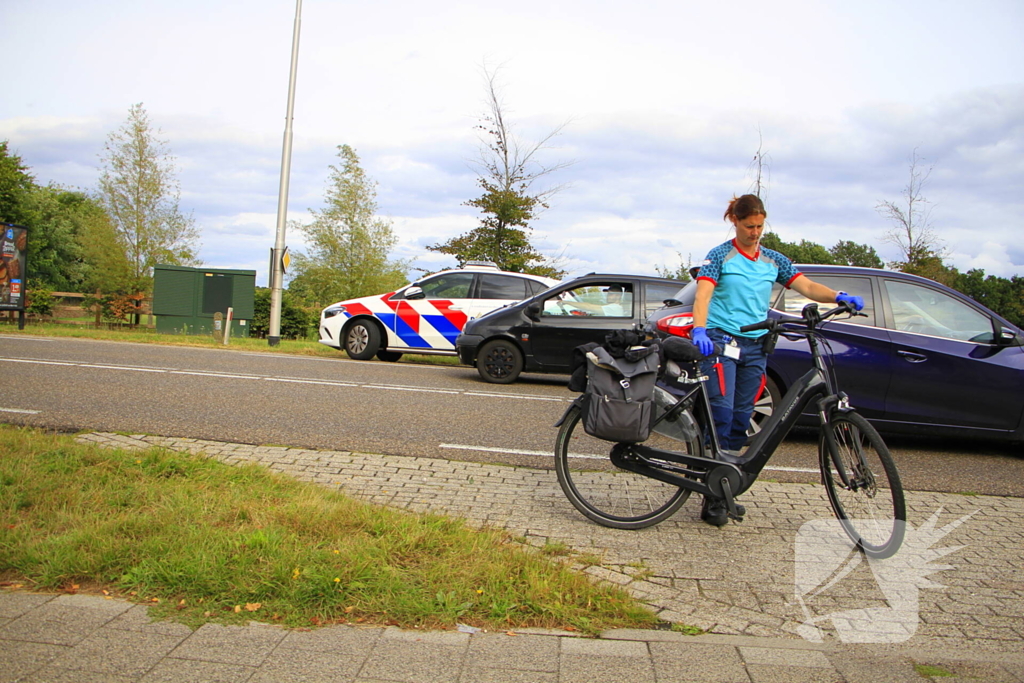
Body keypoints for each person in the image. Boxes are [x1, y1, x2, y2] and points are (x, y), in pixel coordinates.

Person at [691, 194, 864, 526]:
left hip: (756, 345)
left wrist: (838, 296)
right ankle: (713, 495)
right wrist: (700, 329)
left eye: (760, 226)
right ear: (735, 221)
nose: (755, 232)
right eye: (749, 226)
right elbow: (703, 294)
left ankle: (725, 479)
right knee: (722, 413)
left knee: (743, 419)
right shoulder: (720, 256)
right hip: (722, 340)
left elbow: (807, 286)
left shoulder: (772, 260)